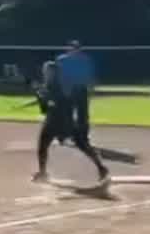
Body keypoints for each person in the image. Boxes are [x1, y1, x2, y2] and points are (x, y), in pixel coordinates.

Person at [33, 59, 108, 187]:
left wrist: (44, 97)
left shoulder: (55, 86)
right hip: (59, 121)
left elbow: (57, 105)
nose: (45, 74)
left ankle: (43, 172)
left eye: (47, 71)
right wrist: (41, 97)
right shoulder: (52, 86)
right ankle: (101, 167)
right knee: (79, 144)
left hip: (59, 121)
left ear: (53, 73)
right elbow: (46, 108)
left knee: (47, 146)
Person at [53, 41, 97, 147]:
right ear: (68, 49)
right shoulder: (61, 60)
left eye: (76, 48)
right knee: (65, 114)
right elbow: (58, 76)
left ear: (79, 49)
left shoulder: (85, 60)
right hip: (67, 89)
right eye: (72, 48)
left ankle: (82, 137)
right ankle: (63, 136)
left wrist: (90, 89)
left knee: (83, 115)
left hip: (81, 90)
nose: (74, 50)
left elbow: (89, 76)